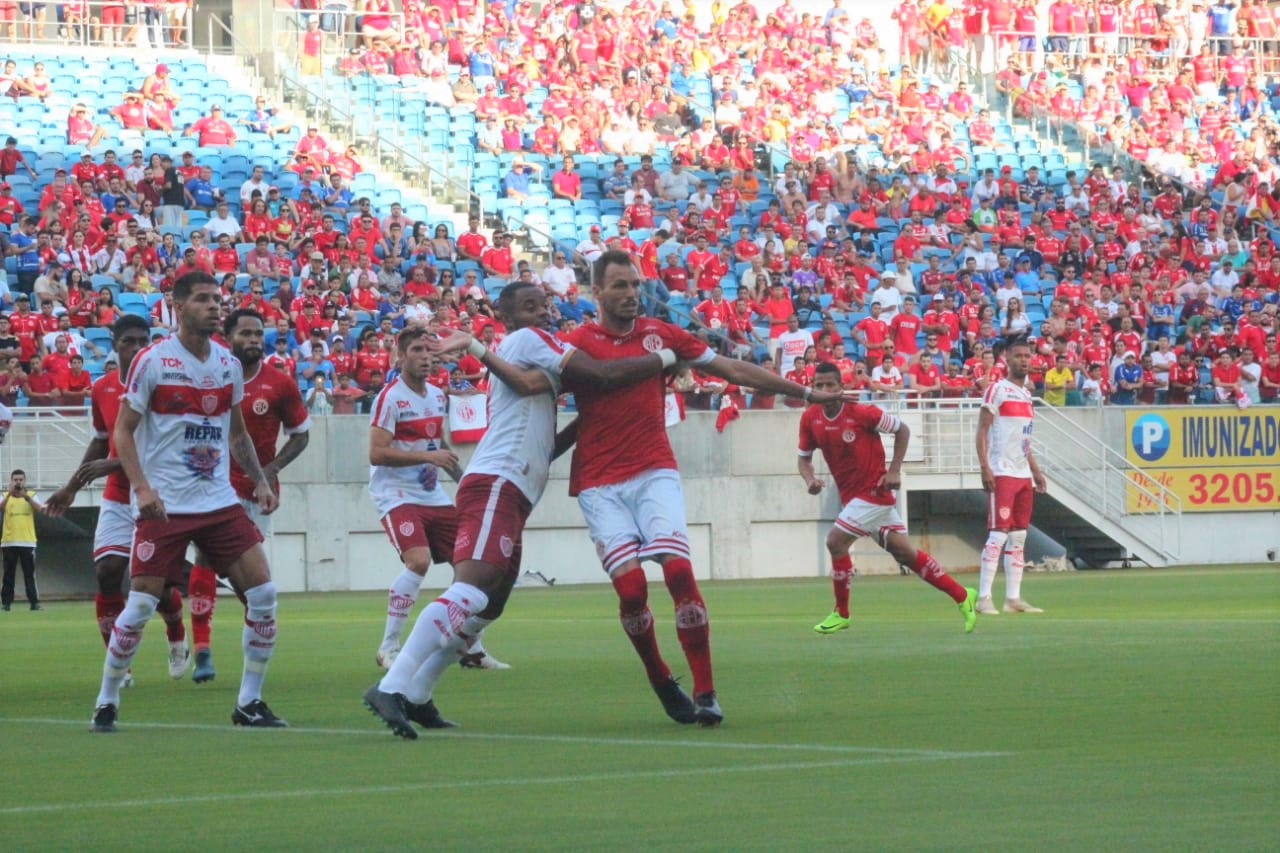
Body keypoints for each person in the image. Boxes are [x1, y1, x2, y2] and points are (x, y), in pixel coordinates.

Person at [362, 281, 683, 738]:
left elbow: (537, 408)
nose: (542, 313)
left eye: (544, 305)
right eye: (529, 307)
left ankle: (418, 696)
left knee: (487, 608)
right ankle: (391, 687)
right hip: (495, 484)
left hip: (514, 490)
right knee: (470, 592)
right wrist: (668, 357)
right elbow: (596, 374)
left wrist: (587, 420)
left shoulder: (526, 353)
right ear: (507, 317)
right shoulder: (527, 341)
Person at [558, 251, 844, 727]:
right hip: (598, 481)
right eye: (619, 286)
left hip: (653, 470)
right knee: (630, 589)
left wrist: (808, 394)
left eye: (634, 284)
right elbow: (546, 398)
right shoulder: (578, 344)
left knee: (679, 574)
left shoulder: (663, 334)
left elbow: (733, 369)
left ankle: (706, 690)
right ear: (596, 294)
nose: (630, 293)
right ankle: (659, 676)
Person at [89, 272, 286, 733]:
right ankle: (106, 700)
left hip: (217, 501)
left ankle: (250, 702)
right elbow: (123, 431)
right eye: (202, 299)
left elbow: (236, 433)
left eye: (218, 299)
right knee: (138, 607)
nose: (215, 306)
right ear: (178, 307)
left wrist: (259, 481)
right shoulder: (152, 361)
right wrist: (142, 489)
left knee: (264, 594)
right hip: (166, 506)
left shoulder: (227, 364)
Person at [45, 316, 190, 678]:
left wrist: (112, 463)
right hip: (117, 496)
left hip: (156, 495)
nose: (138, 347)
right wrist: (71, 486)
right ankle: (119, 666)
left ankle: (175, 629)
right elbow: (100, 438)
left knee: (160, 586)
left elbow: (162, 445)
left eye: (144, 340)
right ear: (114, 343)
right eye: (129, 341)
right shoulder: (103, 388)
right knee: (108, 573)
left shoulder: (165, 389)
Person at [799, 362, 977, 634]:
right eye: (818, 385)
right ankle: (963, 595)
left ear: (841, 387)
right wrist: (810, 479)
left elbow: (902, 429)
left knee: (835, 542)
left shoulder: (862, 412)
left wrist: (894, 470)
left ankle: (841, 612)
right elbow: (803, 460)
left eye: (829, 385)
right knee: (905, 553)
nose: (824, 390)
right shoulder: (810, 417)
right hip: (853, 498)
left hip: (874, 492)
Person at [367, 333, 506, 672]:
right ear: (399, 356)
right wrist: (427, 457)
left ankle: (469, 646)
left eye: (429, 351)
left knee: (475, 564)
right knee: (418, 561)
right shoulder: (389, 398)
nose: (425, 357)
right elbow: (377, 453)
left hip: (431, 496)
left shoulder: (436, 395)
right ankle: (388, 647)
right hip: (396, 495)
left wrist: (462, 478)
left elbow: (433, 442)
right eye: (416, 350)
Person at [186, 309, 312, 685]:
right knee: (206, 558)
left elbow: (301, 435)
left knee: (251, 576)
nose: (255, 340)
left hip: (258, 492)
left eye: (259, 334)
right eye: (246, 334)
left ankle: (254, 638)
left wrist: (268, 474)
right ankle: (202, 648)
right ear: (227, 337)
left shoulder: (280, 383)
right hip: (210, 486)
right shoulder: (207, 376)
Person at [975, 336, 1048, 616]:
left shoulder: (1027, 395)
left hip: (1022, 475)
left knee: (1018, 537)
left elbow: (1024, 441)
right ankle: (983, 598)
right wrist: (985, 467)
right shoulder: (997, 390)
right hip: (1002, 471)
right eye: (1018, 356)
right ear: (1007, 359)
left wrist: (1036, 471)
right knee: (998, 536)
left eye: (1027, 356)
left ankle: (1013, 598)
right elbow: (982, 430)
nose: (1024, 360)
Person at [1, 469, 42, 611]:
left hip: (27, 541)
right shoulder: (5, 495)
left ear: (24, 481)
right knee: (8, 574)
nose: (18, 482)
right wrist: (9, 495)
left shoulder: (31, 495)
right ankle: (6, 603)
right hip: (9, 541)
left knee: (29, 574)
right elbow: (1, 507)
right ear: (11, 481)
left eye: (20, 480)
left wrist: (26, 497)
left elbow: (39, 508)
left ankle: (34, 602)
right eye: (15, 480)